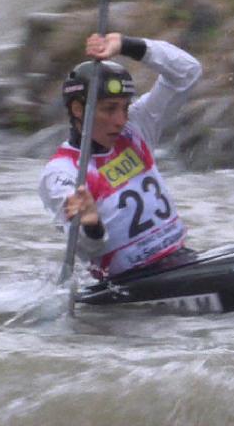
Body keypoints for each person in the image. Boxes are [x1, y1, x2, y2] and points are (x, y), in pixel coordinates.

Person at [39, 32, 202, 281]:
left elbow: (187, 73)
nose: (121, 120)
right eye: (109, 109)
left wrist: (126, 45)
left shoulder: (136, 129)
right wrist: (91, 225)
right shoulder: (63, 172)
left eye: (125, 107)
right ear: (78, 109)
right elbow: (87, 248)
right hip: (131, 284)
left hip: (181, 260)